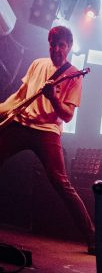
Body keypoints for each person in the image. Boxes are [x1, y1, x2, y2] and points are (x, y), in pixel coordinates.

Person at [0, 26, 95, 253]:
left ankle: (93, 238)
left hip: (47, 131)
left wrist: (53, 98)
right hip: (22, 124)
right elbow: (20, 96)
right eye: (53, 44)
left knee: (61, 182)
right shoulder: (37, 64)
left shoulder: (74, 74)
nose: (57, 49)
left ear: (69, 47)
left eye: (62, 45)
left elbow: (67, 115)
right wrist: (2, 109)